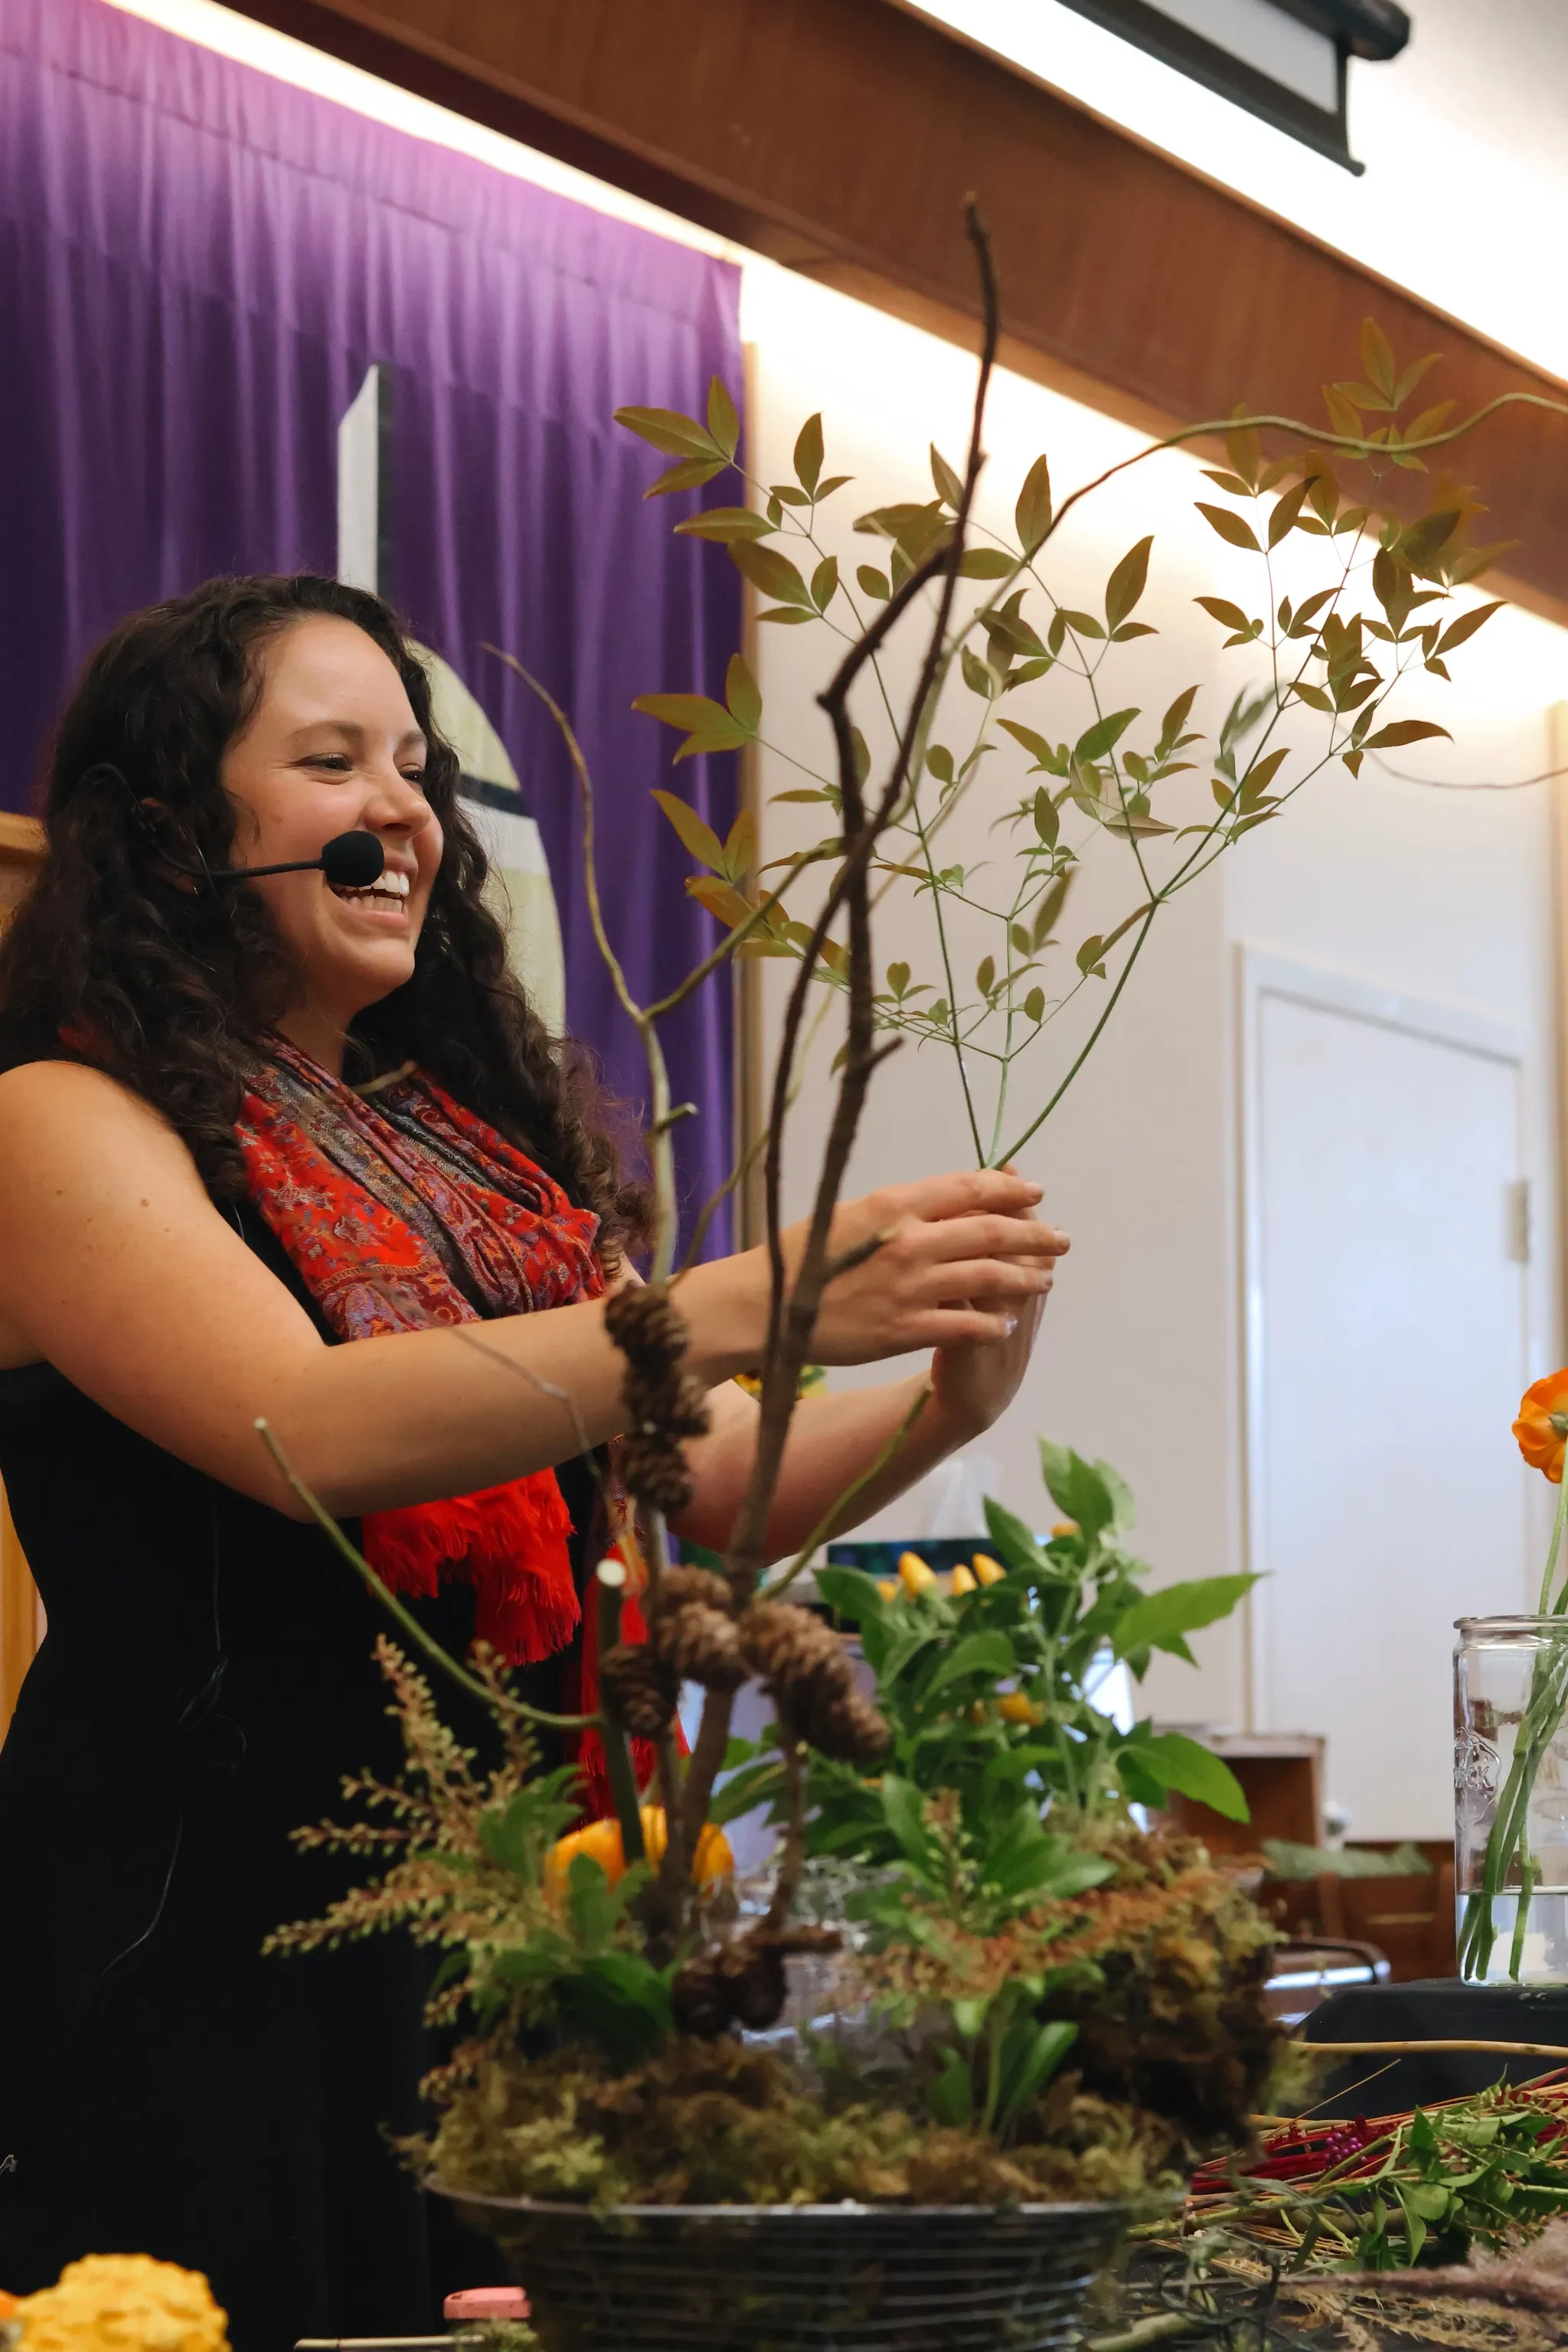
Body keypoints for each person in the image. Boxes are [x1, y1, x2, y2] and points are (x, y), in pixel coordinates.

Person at [0, 575, 1066, 2347]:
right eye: (333, 762)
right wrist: (737, 1303)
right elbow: (302, 1428)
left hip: (488, 1930)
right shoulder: (55, 1115)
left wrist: (948, 1400)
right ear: (177, 831)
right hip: (199, 1937)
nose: (405, 810)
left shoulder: (467, 1164)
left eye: (415, 768)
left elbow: (715, 1483)